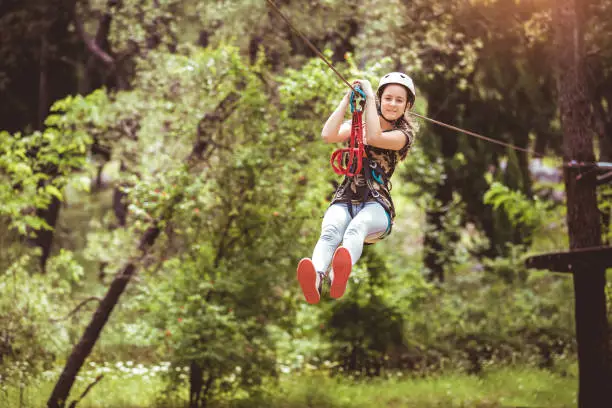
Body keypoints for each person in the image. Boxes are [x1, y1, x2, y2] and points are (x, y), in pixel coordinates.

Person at [296, 72, 418, 304]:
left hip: (376, 205)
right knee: (330, 232)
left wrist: (370, 97)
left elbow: (374, 136)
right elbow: (328, 134)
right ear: (381, 99)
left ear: (407, 105)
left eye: (399, 100)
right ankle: (316, 278)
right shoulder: (358, 125)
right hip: (345, 198)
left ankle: (337, 275)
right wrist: (346, 99)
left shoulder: (403, 135)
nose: (392, 104)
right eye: (388, 98)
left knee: (355, 229)